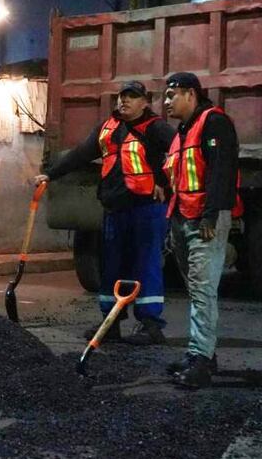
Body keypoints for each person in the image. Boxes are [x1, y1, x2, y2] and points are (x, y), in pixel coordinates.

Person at [33, 80, 176, 345]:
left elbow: (179, 153)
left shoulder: (156, 128)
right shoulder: (108, 129)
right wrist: (50, 174)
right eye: (121, 97)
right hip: (115, 209)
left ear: (145, 102)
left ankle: (151, 325)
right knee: (113, 267)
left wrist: (164, 182)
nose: (124, 101)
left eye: (132, 97)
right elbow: (81, 154)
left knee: (146, 265)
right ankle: (110, 323)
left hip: (145, 209)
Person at [161, 72, 242, 389]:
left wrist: (210, 215)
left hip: (204, 220)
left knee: (202, 291)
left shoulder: (214, 123)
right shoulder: (183, 131)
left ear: (191, 94)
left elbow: (223, 170)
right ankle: (201, 353)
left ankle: (201, 361)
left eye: (172, 95)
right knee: (195, 289)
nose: (166, 102)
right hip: (183, 219)